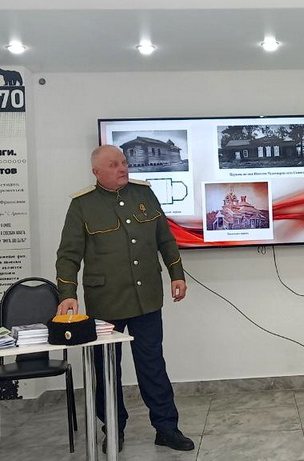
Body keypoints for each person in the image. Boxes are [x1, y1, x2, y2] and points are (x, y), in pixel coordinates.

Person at [55, 145, 192, 453]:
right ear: (96, 172)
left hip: (146, 299)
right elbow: (68, 255)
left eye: (124, 162)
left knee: (152, 366)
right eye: (114, 164)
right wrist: (68, 294)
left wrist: (177, 274)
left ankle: (167, 428)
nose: (123, 168)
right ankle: (113, 428)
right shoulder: (82, 205)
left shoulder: (144, 194)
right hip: (106, 303)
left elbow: (165, 238)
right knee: (107, 371)